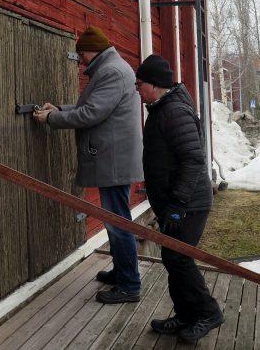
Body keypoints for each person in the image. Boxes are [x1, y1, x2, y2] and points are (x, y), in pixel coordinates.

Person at [33, 25, 143, 304]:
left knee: (118, 223)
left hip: (114, 161)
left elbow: (92, 113)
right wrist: (61, 109)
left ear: (90, 51)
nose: (80, 60)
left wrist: (52, 120)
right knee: (115, 220)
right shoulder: (114, 68)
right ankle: (122, 272)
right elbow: (94, 107)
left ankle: (129, 285)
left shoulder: (111, 72)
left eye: (81, 55)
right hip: (114, 159)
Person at [134, 54, 223, 342]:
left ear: (154, 85)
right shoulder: (161, 108)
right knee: (173, 259)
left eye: (140, 83)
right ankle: (186, 314)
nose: (137, 88)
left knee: (179, 258)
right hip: (174, 203)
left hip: (189, 204)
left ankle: (208, 312)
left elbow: (193, 160)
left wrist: (177, 205)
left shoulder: (174, 112)